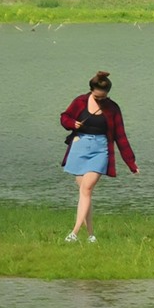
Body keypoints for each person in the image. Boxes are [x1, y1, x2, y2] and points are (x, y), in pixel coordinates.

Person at [59, 70, 138, 242]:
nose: (100, 100)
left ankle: (74, 233)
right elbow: (64, 118)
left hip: (100, 150)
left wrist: (131, 163)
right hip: (79, 148)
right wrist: (72, 123)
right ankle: (91, 235)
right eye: (97, 97)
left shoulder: (112, 108)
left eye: (103, 98)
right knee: (84, 193)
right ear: (91, 90)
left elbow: (121, 136)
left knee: (86, 189)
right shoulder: (79, 101)